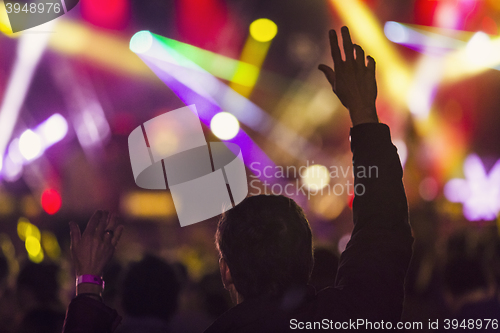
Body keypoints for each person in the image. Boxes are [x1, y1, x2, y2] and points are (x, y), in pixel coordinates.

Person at [62, 26, 413, 332]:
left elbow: (383, 230)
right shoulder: (354, 320)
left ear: (226, 271)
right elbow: (384, 226)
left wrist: (88, 284)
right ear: (308, 262)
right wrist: (364, 113)